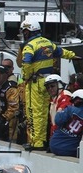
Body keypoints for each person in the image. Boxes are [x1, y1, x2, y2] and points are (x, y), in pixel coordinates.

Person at [20, 18, 80, 150]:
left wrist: (26, 77)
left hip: (34, 83)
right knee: (46, 112)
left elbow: (26, 63)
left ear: (29, 31)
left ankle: (37, 143)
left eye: (24, 31)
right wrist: (74, 56)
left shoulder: (29, 46)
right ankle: (44, 140)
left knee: (33, 113)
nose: (23, 34)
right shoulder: (48, 43)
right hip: (47, 83)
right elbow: (62, 52)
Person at [49, 89, 83, 157]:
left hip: (55, 146)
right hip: (72, 150)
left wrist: (60, 111)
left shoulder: (69, 109)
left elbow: (57, 121)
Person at [0, 65, 19, 141]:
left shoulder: (11, 88)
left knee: (11, 141)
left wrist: (4, 118)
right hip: (0, 120)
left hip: (10, 121)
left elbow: (14, 107)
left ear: (6, 75)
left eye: (1, 73)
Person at [45, 74, 72, 141]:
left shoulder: (65, 96)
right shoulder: (54, 99)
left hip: (64, 136)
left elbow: (60, 120)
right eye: (48, 87)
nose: (50, 89)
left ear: (59, 85)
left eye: (52, 86)